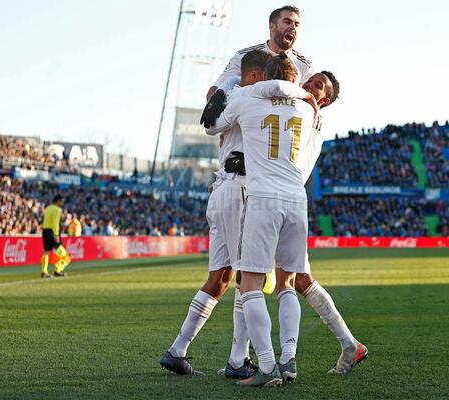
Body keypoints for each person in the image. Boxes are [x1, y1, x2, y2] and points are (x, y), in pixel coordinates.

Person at [159, 49, 314, 378]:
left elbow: (211, 124)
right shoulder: (257, 99)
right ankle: (238, 361)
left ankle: (177, 351)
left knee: (220, 279)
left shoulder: (232, 99)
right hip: (243, 190)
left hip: (221, 190)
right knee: (248, 277)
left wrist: (224, 87)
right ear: (257, 76)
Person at [205, 53, 315, 387]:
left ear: (264, 75)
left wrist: (226, 87)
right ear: (294, 79)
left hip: (263, 198)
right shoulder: (307, 108)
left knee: (250, 283)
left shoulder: (247, 99)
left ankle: (267, 365)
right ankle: (289, 357)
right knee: (287, 283)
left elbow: (212, 126)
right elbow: (287, 90)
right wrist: (302, 92)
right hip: (297, 200)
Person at [205, 5, 313, 104]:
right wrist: (212, 108)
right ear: (272, 26)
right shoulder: (244, 56)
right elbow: (216, 89)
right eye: (287, 22)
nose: (293, 27)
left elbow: (310, 101)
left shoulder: (304, 65)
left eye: (296, 24)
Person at [40, 194, 70, 278]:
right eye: (62, 201)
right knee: (66, 256)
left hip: (45, 231)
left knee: (46, 251)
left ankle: (44, 271)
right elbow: (55, 223)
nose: (62, 203)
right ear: (58, 201)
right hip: (52, 233)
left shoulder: (48, 208)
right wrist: (56, 235)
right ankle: (58, 270)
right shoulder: (57, 209)